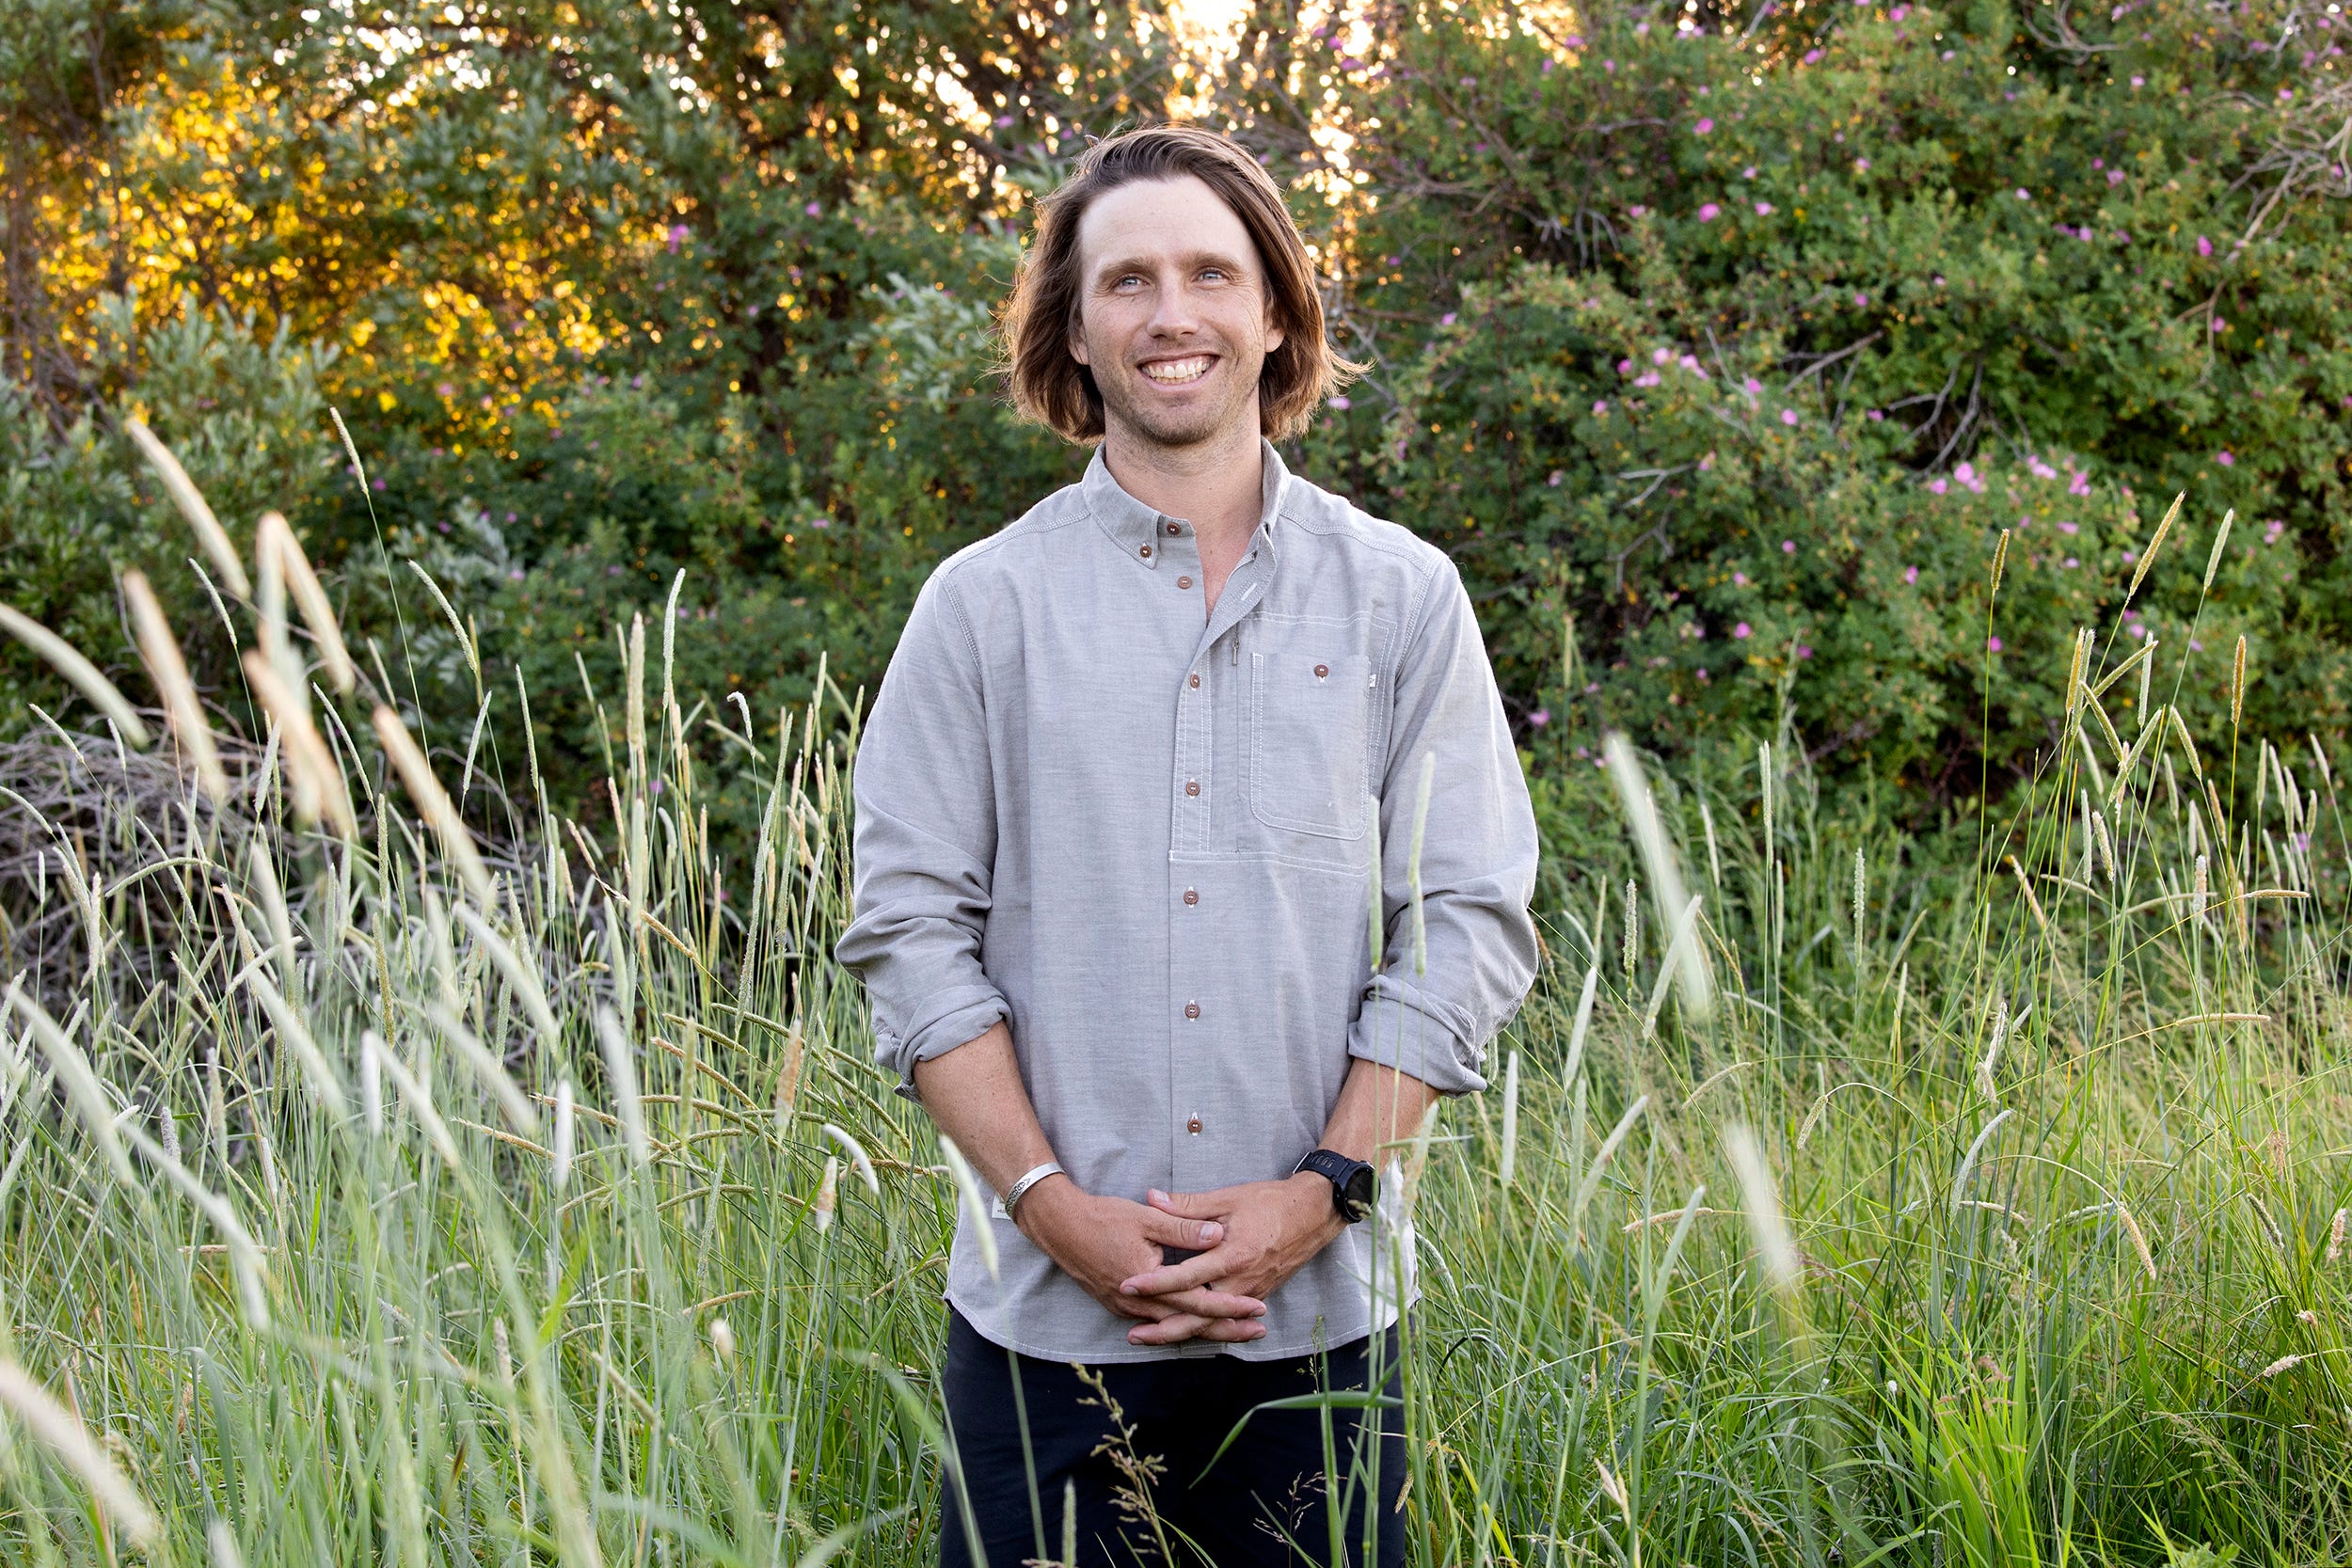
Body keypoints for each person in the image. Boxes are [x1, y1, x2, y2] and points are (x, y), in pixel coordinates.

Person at [834, 122, 1539, 1567]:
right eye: (1129, 281)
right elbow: (908, 935)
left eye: (1211, 274)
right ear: (1077, 332)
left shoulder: (1403, 597)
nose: (1173, 314)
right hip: (1042, 1344)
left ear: (1275, 312)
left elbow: (1467, 918)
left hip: (1323, 1333)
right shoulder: (981, 610)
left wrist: (1317, 1196)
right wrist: (1050, 1211)